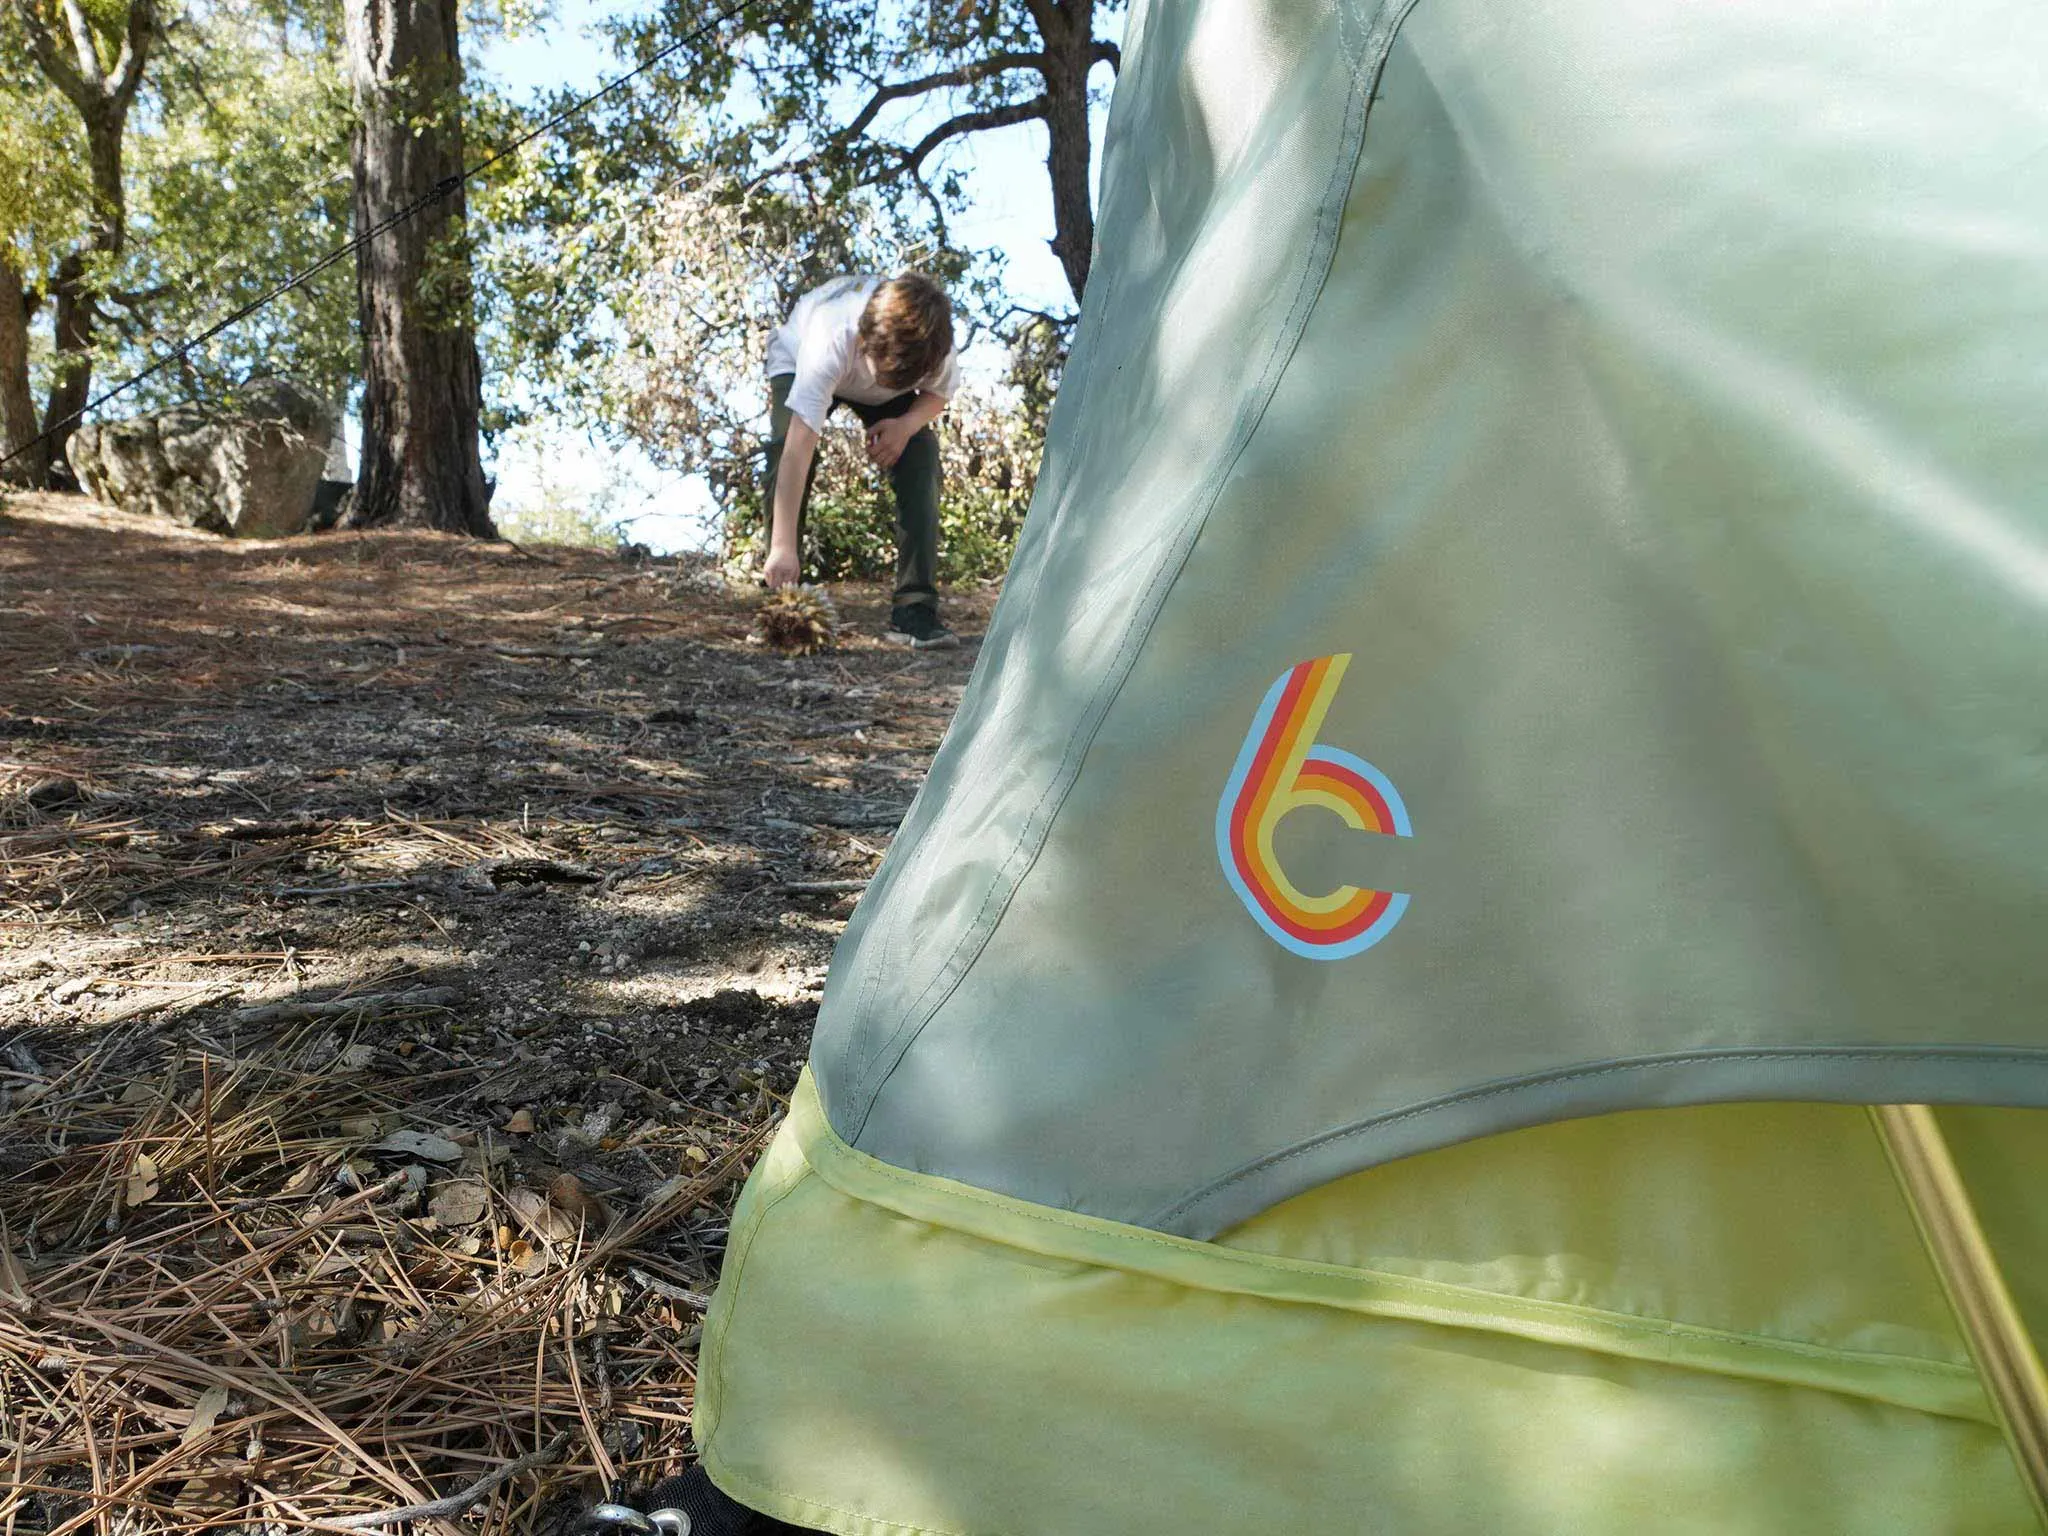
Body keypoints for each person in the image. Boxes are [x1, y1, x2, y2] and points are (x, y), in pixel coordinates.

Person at [760, 272, 961, 650]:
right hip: (798, 359)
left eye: (896, 380)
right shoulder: (830, 336)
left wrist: (904, 425)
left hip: (888, 373)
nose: (883, 386)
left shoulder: (935, 345)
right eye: (882, 376)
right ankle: (779, 593)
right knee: (784, 442)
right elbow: (798, 447)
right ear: (864, 340)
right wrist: (783, 546)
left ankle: (915, 609)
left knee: (922, 454)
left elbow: (937, 394)